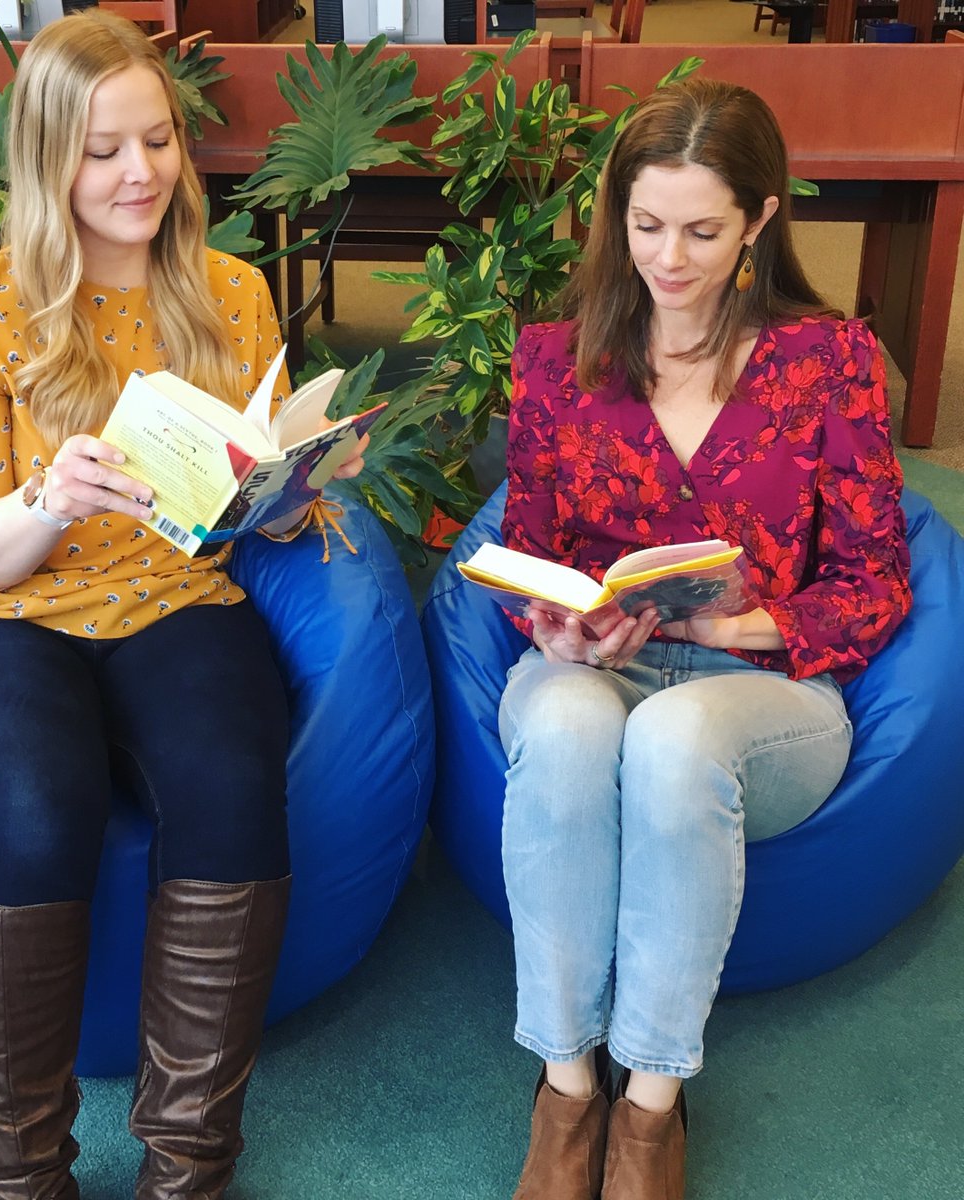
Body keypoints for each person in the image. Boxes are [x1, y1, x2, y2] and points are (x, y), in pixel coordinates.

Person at [0, 11, 365, 1199]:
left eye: (156, 141)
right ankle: (18, 1179)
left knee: (230, 777)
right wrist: (50, 498)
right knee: (33, 793)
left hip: (173, 595)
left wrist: (296, 487)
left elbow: (241, 507)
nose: (141, 173)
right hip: (4, 615)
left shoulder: (227, 290)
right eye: (103, 151)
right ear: (49, 162)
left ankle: (188, 1169)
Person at [499, 78, 911, 1200]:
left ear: (761, 221)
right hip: (600, 663)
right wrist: (557, 622)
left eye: (702, 230)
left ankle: (651, 1108)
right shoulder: (554, 359)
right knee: (577, 730)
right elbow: (525, 548)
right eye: (644, 226)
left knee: (676, 741)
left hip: (760, 691)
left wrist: (744, 621)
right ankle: (567, 1087)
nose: (668, 259)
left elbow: (875, 583)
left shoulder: (828, 364)